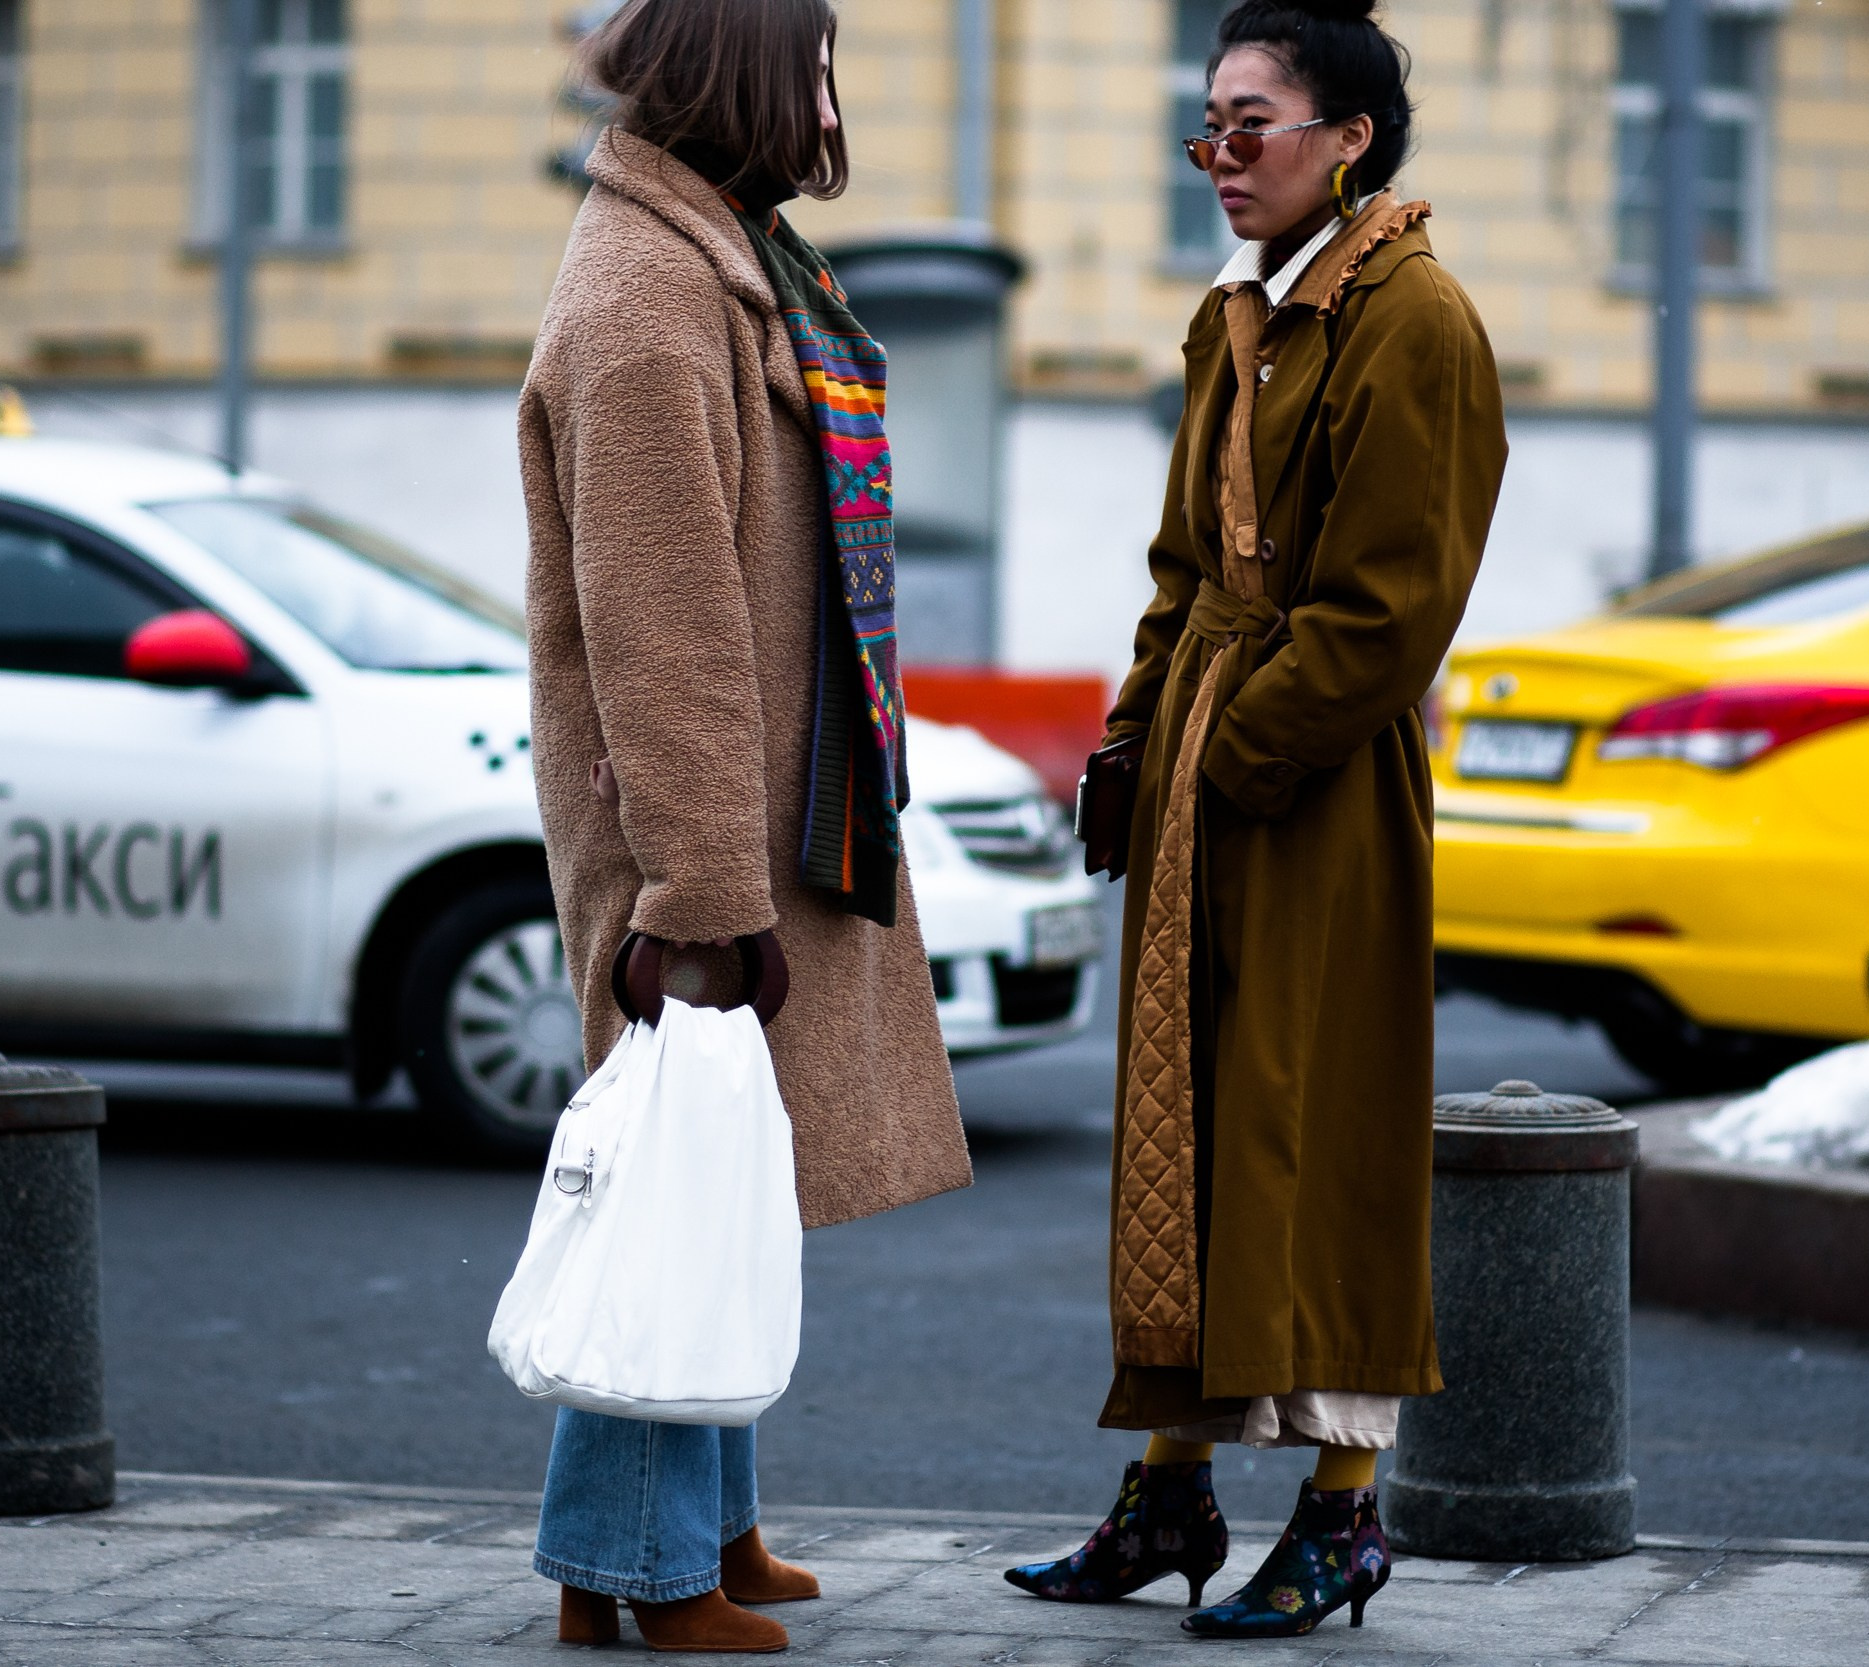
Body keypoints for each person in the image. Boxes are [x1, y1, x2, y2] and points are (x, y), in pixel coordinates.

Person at [1005, 0, 1508, 1640]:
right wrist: (1133, 746)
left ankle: (1349, 1513)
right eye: (1205, 124)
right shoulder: (1244, 312)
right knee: (1192, 1132)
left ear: (1351, 138)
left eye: (1253, 123)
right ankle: (1168, 1494)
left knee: (1319, 1134)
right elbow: (1182, 579)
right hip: (1214, 775)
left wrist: (1231, 762)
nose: (1220, 155)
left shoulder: (1411, 321)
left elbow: (1385, 616)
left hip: (1320, 789)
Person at [517, 0, 972, 1650]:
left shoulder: (726, 263)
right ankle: (639, 1573)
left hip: (748, 823)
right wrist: (702, 890)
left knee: (717, 1184)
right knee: (676, 1194)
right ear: (755, 78)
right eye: (824, 65)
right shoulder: (651, 303)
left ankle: (696, 1527)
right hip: (691, 855)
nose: (837, 101)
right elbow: (665, 629)